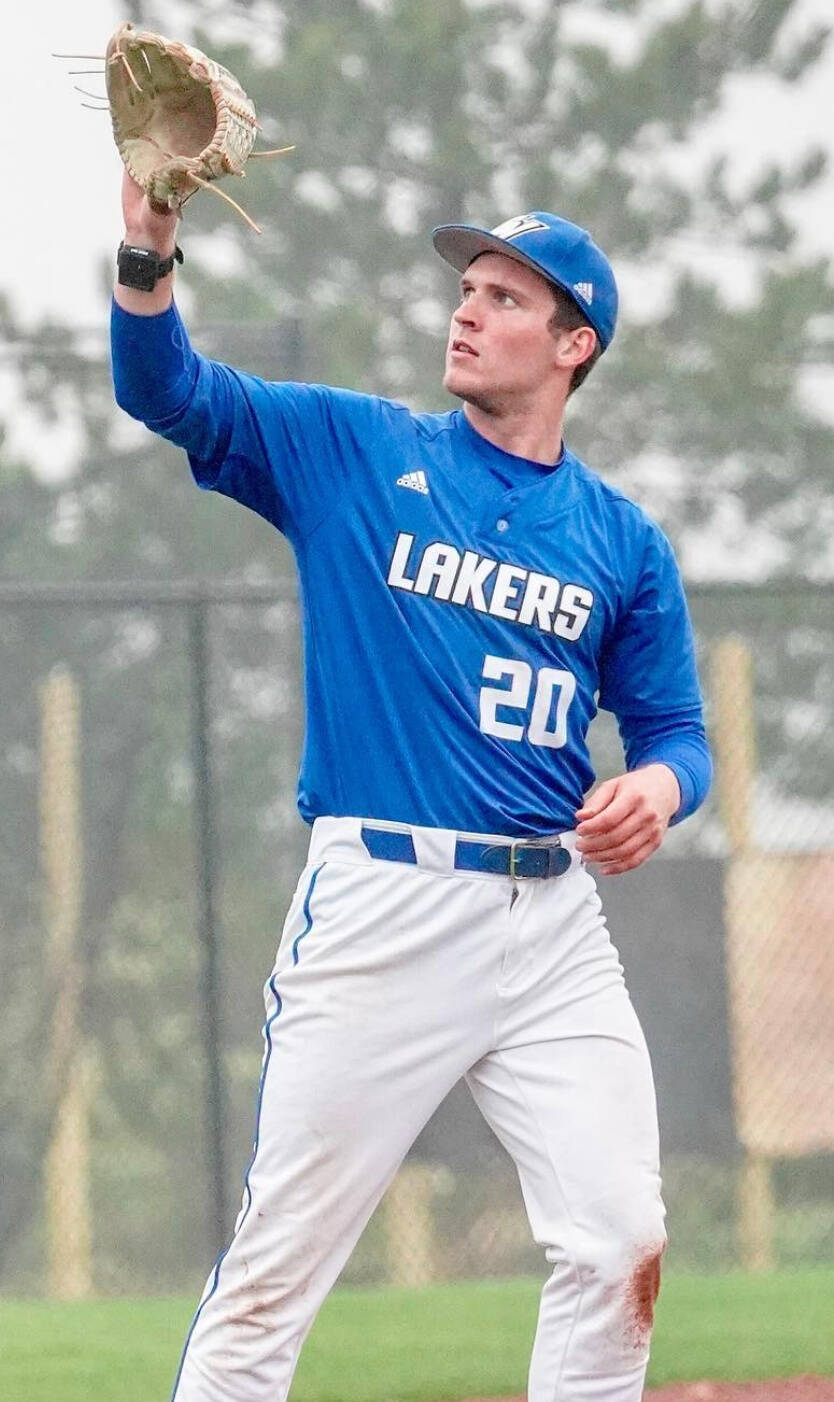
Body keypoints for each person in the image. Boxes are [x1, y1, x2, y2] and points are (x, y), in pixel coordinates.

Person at [111, 173, 712, 1402]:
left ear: (574, 343)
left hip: (553, 927)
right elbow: (165, 389)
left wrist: (657, 787)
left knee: (617, 1240)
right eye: (467, 290)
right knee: (275, 1274)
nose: (468, 312)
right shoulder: (355, 451)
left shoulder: (620, 539)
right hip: (383, 909)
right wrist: (148, 245)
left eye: (505, 296)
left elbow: (678, 732)